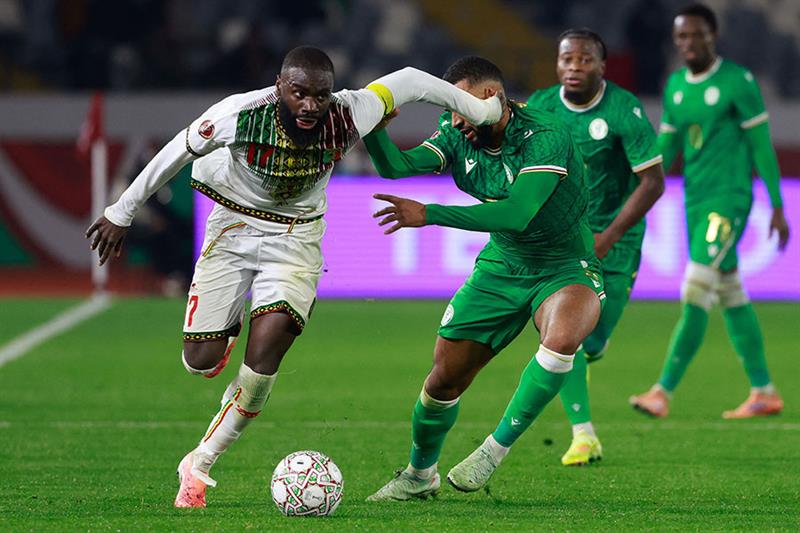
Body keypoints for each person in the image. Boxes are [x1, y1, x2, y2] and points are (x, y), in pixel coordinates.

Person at [85, 46, 503, 508]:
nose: (309, 106)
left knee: (265, 358)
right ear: (280, 86)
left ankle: (200, 462)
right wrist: (121, 212)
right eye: (299, 94)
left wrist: (482, 110)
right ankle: (226, 329)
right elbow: (176, 151)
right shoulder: (239, 114)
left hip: (296, 237)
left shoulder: (351, 111)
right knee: (200, 360)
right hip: (233, 224)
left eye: (320, 96)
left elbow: (411, 80)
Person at [362, 56, 605, 501]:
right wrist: (376, 130)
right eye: (450, 108)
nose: (456, 119)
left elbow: (517, 213)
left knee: (561, 341)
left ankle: (493, 450)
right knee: (442, 381)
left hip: (565, 266)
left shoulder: (545, 134)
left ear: (490, 98)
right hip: (501, 266)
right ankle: (419, 475)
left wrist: (430, 214)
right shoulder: (456, 132)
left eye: (462, 106)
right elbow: (396, 167)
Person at [629, 4, 789, 419]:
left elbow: (761, 146)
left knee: (695, 288)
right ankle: (764, 391)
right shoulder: (676, 85)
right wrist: (636, 186)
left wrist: (777, 204)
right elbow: (668, 147)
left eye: (696, 35)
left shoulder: (737, 81)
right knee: (730, 291)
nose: (688, 43)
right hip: (695, 200)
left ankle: (662, 391)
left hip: (728, 200)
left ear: (712, 36)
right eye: (682, 36)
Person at [528, 29, 664, 466]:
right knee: (567, 334)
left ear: (602, 66)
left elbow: (653, 183)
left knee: (595, 338)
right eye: (566, 59)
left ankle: (595, 343)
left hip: (616, 240)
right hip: (567, 239)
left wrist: (610, 236)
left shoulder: (624, 110)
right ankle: (583, 434)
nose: (574, 67)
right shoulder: (541, 106)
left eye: (584, 60)